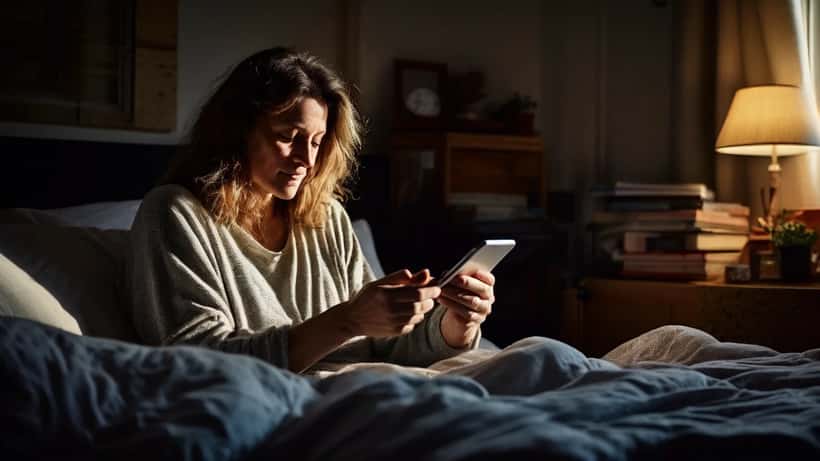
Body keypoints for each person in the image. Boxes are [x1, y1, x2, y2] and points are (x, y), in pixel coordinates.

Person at [126, 47, 495, 374]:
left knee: (543, 353)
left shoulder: (325, 216)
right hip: (294, 401)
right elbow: (198, 362)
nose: (306, 160)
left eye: (317, 142)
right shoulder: (176, 214)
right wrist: (347, 320)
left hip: (368, 384)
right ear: (237, 132)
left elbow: (378, 346)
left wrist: (455, 323)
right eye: (288, 137)